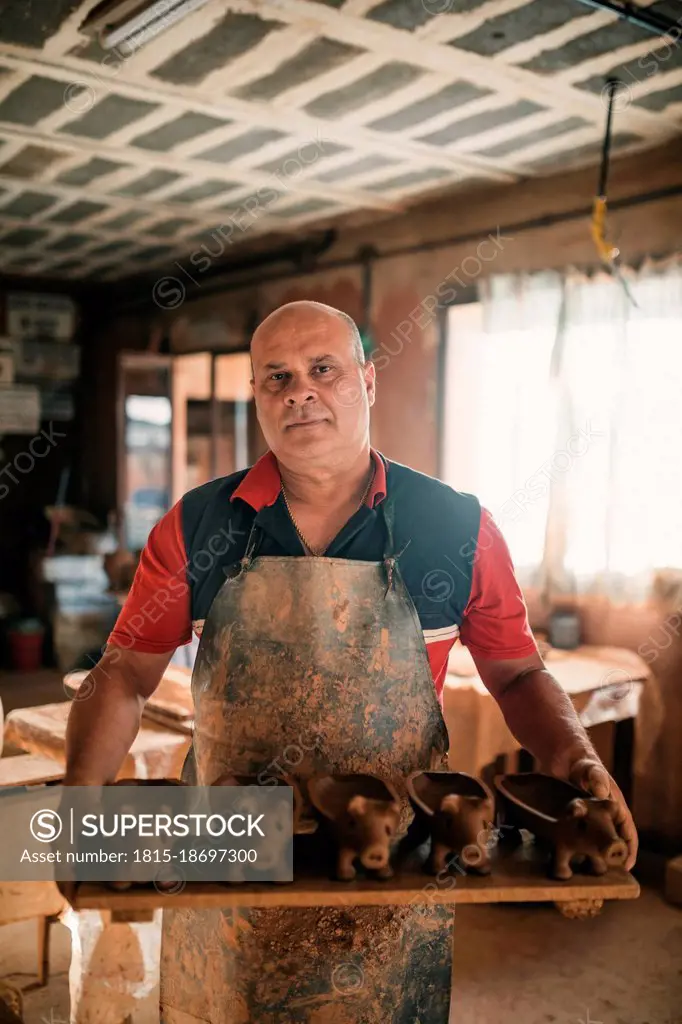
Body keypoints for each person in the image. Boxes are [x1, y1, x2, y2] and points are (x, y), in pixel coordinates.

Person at [65, 300, 637, 1022]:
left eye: (322, 369)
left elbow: (518, 674)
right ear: (256, 397)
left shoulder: (455, 526)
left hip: (388, 843)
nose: (298, 390)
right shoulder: (198, 525)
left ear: (367, 382)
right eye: (276, 377)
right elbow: (123, 674)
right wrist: (82, 795)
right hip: (232, 837)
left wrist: (577, 758)